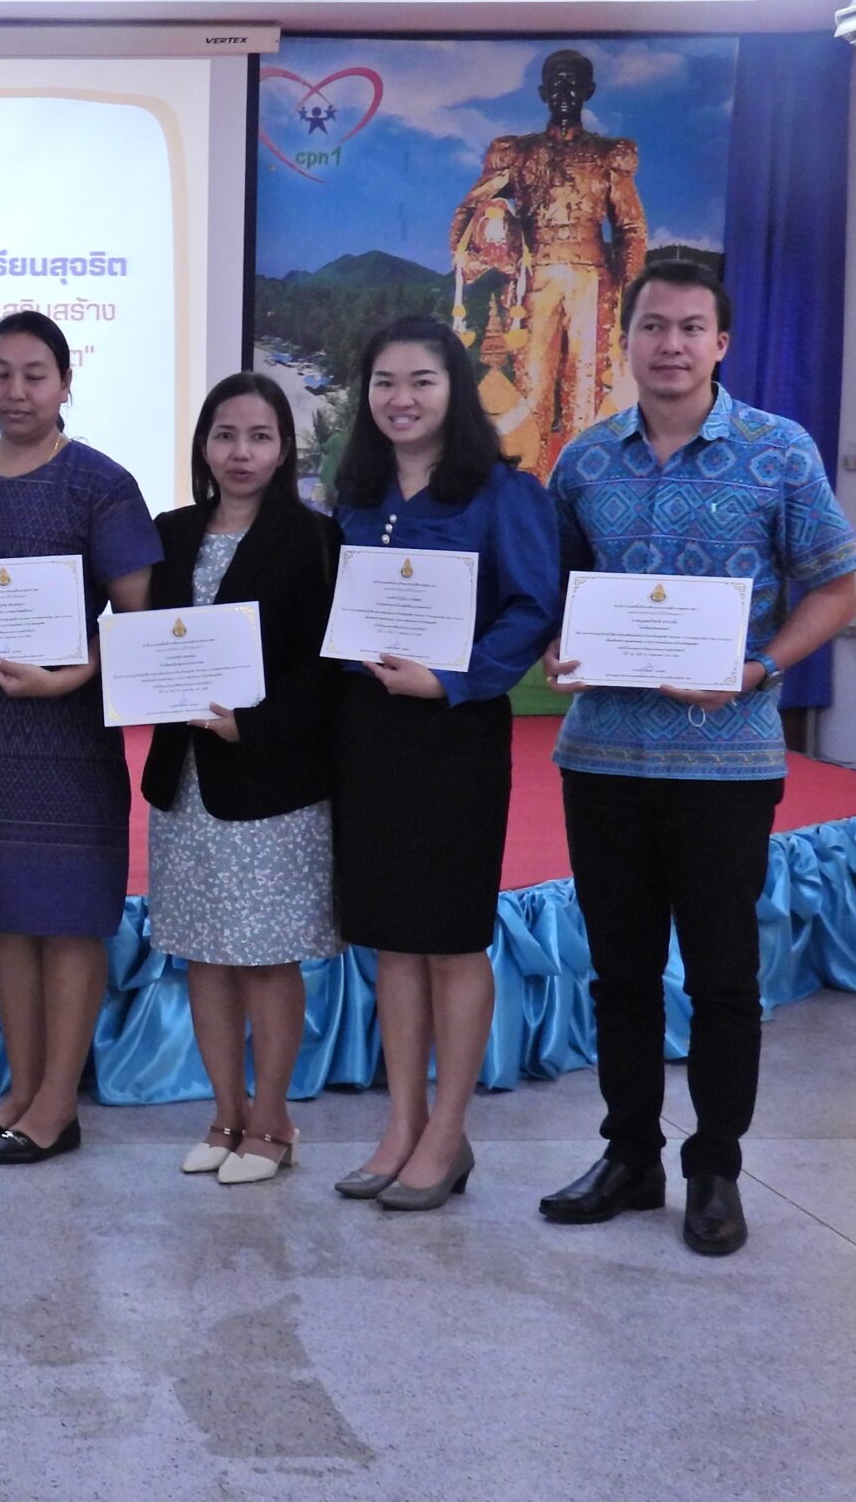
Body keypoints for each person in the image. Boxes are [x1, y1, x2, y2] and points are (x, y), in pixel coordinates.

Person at [538, 262, 856, 1256]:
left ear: (720, 343)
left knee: (723, 977)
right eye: (652, 326)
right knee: (619, 974)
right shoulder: (582, 461)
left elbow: (837, 587)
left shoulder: (777, 451)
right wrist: (555, 642)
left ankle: (715, 1167)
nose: (670, 344)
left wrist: (760, 667)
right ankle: (629, 1155)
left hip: (727, 763)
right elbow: (553, 588)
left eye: (690, 328)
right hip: (603, 756)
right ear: (627, 340)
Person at [326, 316, 561, 1211]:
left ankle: (448, 1133)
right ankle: (403, 1124)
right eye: (384, 382)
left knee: (452, 938)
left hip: (454, 735)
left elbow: (533, 607)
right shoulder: (355, 496)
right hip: (368, 734)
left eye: (421, 381)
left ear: (455, 390)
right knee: (392, 937)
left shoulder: (502, 490)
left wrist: (451, 679)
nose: (401, 399)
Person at [0, 312, 156, 1165]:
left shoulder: (102, 483)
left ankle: (59, 1102)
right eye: (0, 373)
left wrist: (65, 678)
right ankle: (19, 1089)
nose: (15, 391)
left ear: (64, 383)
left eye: (34, 375)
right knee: (3, 919)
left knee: (67, 920)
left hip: (65, 736)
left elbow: (136, 620)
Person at [141, 373, 344, 1185]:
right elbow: (148, 639)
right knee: (204, 954)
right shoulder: (171, 531)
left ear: (284, 447)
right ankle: (225, 1114)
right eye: (225, 434)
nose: (241, 452)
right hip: (185, 780)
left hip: (271, 780)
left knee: (264, 957)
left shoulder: (314, 537)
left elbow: (325, 666)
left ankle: (273, 1119)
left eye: (259, 436)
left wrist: (249, 723)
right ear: (203, 445)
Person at [449, 48, 648, 471]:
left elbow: (630, 229)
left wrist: (630, 295)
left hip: (593, 281)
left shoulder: (608, 156)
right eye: (556, 84)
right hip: (533, 279)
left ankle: (581, 483)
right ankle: (529, 482)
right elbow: (471, 209)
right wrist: (477, 253)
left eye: (573, 84)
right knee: (532, 383)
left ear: (589, 91)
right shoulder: (518, 153)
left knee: (586, 386)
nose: (564, 92)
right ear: (542, 93)